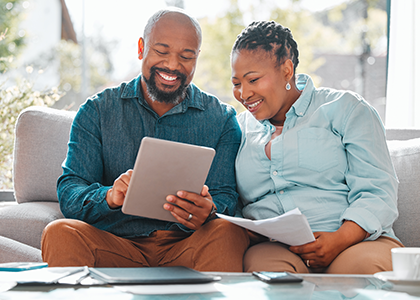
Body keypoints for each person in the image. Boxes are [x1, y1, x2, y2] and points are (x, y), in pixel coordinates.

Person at [41, 8, 249, 271]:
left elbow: (227, 197)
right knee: (60, 232)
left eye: (186, 56)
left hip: (187, 245)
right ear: (141, 48)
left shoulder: (221, 119)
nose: (173, 66)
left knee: (228, 231)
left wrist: (209, 210)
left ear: (197, 58)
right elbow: (71, 191)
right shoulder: (97, 110)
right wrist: (109, 196)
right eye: (162, 52)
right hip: (114, 243)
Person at [230, 20, 403, 274]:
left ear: (287, 70)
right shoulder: (238, 128)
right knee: (271, 281)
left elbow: (378, 190)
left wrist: (340, 239)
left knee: (353, 275)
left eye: (253, 80)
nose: (244, 93)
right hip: (276, 247)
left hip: (357, 241)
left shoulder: (346, 108)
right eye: (236, 84)